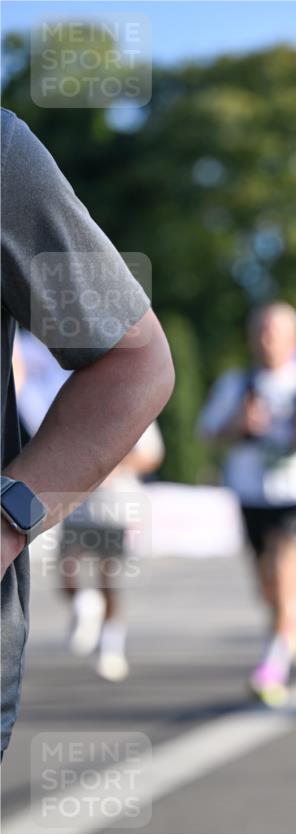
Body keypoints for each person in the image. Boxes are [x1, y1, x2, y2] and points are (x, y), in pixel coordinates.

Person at [1, 109, 174, 757]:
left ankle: (110, 636)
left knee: (107, 574)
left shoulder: (4, 154)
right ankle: (88, 617)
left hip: (108, 492)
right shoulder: (38, 375)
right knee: (76, 571)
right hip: (72, 502)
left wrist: (9, 517)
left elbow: (134, 370)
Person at [199, 302, 296, 706]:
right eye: (261, 331)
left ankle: (272, 667)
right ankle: (290, 626)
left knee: (284, 575)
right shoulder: (236, 383)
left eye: (275, 331)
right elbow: (208, 432)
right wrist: (239, 426)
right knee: (267, 584)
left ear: (293, 339)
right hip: (251, 494)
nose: (267, 339)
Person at [60, 422, 165, 681]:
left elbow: (151, 456)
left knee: (109, 579)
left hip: (114, 504)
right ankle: (85, 603)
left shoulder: (135, 405)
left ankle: (111, 646)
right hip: (78, 503)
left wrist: (113, 464)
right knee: (66, 566)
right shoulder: (70, 404)